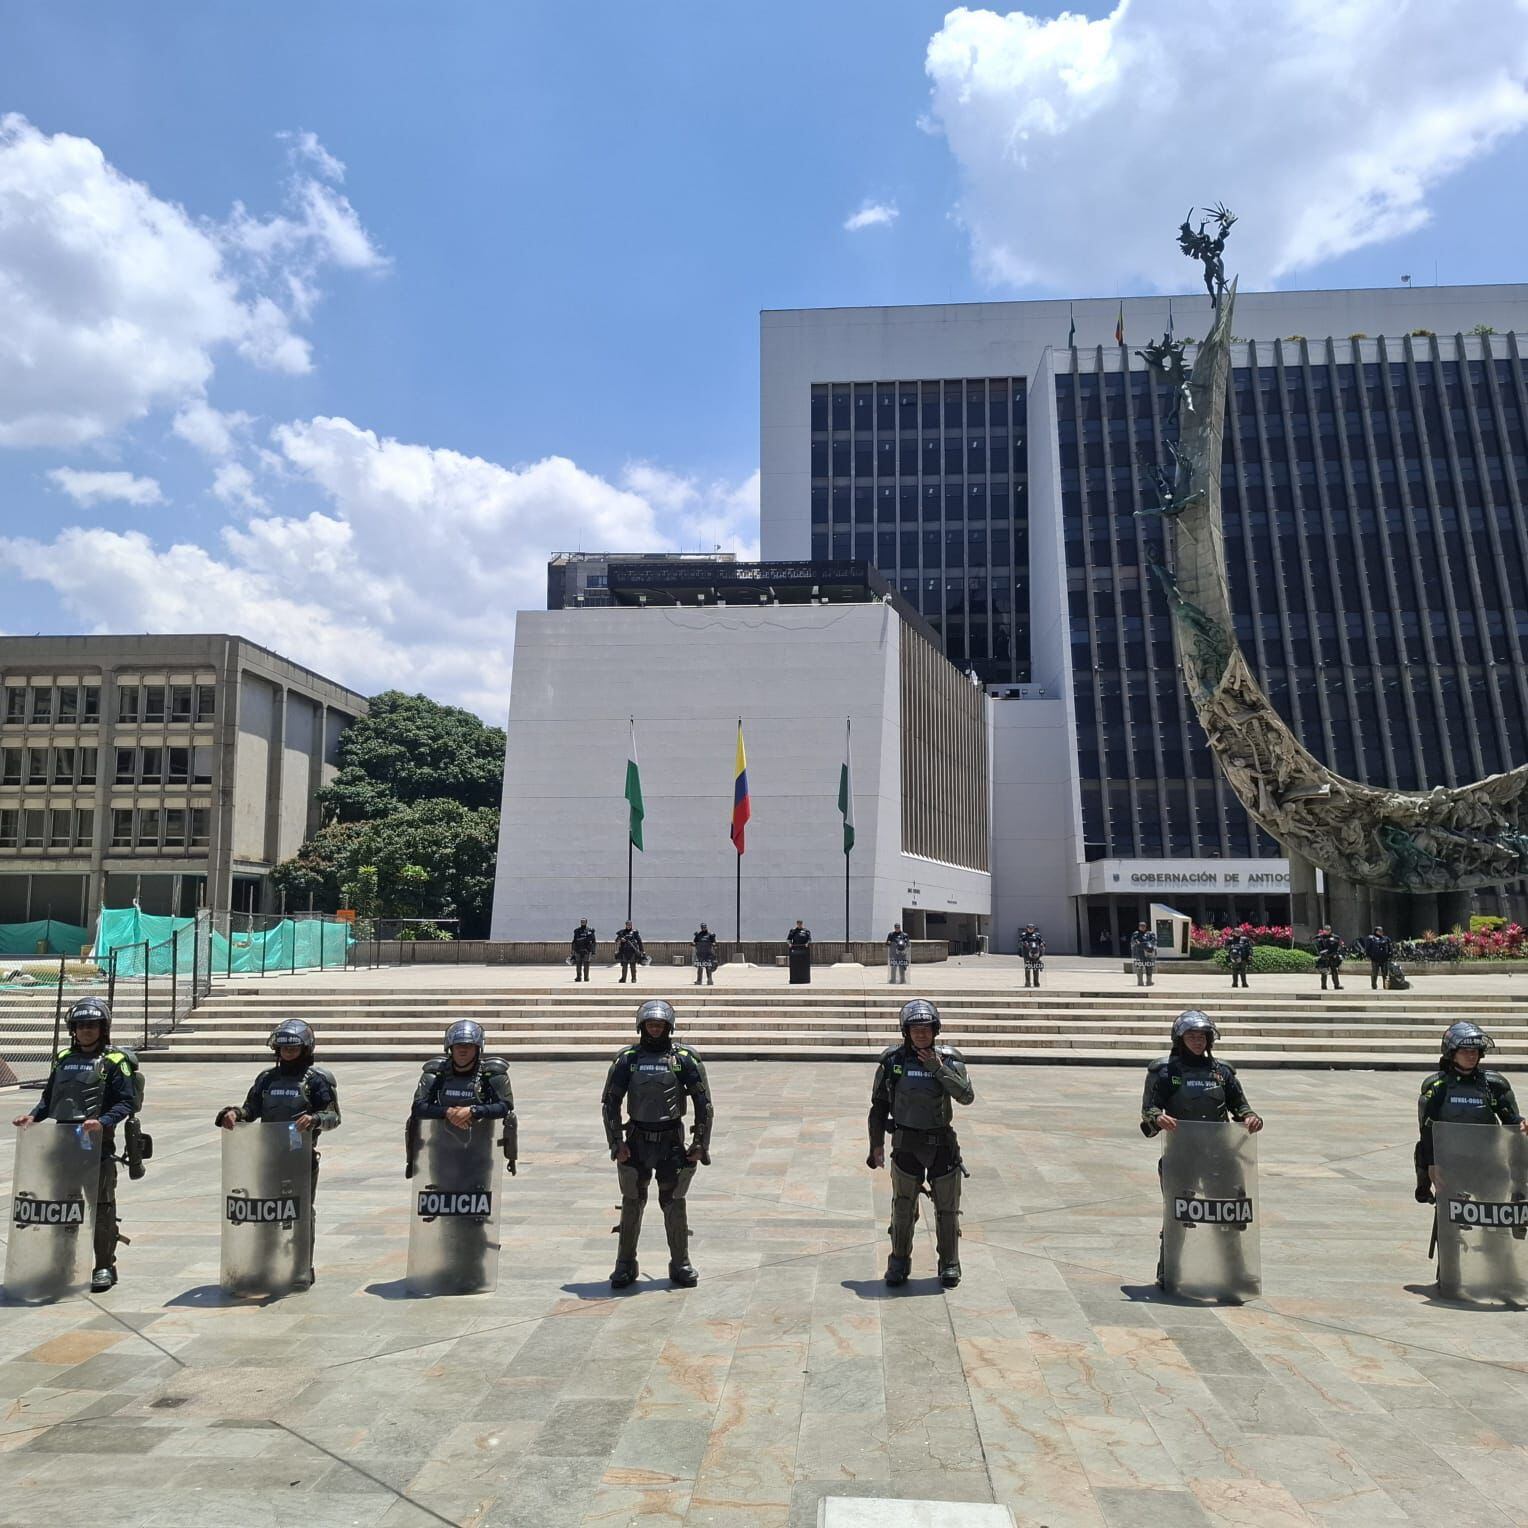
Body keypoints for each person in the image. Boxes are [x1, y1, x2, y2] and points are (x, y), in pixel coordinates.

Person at [13, 997, 143, 1292]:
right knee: (62, 1207)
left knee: (102, 1207)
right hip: (63, 1145)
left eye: (92, 1025)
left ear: (103, 1028)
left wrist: (103, 1121)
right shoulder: (63, 1058)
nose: (86, 1030)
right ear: (73, 1029)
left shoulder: (115, 1061)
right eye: (81, 1025)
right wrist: (32, 1117)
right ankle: (63, 1262)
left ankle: (104, 1266)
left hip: (97, 1146)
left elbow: (126, 1102)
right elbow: (49, 1098)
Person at [1140, 1010, 1263, 1291]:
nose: (1197, 1041)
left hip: (1221, 1153)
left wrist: (1250, 1117)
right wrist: (1157, 1117)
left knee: (1229, 1214)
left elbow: (1240, 1105)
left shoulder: (1222, 1072)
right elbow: (1149, 1108)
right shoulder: (1165, 1071)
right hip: (1181, 1154)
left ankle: (1235, 1273)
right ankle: (1169, 1271)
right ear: (1180, 1039)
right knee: (1178, 1214)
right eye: (1191, 1036)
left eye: (1202, 1036)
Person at [215, 1019, 340, 1280]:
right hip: (268, 1157)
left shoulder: (317, 1080)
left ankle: (301, 1266)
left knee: (300, 1212)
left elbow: (333, 1116)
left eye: (293, 1049)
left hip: (300, 1158)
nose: (288, 1053)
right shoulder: (266, 1079)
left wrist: (315, 1119)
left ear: (305, 1049)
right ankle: (266, 1264)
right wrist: (235, 1113)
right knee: (267, 1210)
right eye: (284, 1049)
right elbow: (251, 1108)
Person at [601, 999, 713, 1289]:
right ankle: (625, 1264)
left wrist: (700, 1142)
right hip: (637, 1141)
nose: (654, 1029)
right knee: (632, 1202)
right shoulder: (628, 1059)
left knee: (674, 1202)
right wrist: (616, 1142)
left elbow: (703, 1103)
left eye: (659, 1025)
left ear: (668, 1027)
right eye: (650, 1024)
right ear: (641, 1026)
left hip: (671, 1142)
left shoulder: (683, 1059)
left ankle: (680, 1263)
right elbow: (610, 1102)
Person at [866, 999, 975, 1288]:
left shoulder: (949, 1059)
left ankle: (949, 1263)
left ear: (936, 1030)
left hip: (942, 1146)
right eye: (915, 1030)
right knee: (902, 1207)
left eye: (926, 1029)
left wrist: (938, 1069)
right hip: (906, 1144)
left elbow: (966, 1096)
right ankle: (899, 1262)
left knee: (947, 1209)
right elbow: (878, 1106)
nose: (921, 1034)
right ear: (906, 1032)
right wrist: (876, 1144)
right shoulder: (893, 1061)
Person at [1415, 1021, 1527, 1293]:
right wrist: (1431, 1166)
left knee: (1497, 1221)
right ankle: (1450, 1278)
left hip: (1489, 1165)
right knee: (1450, 1224)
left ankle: (1504, 1277)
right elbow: (1427, 1130)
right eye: (1465, 1051)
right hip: (1450, 1167)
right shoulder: (1437, 1087)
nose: (1471, 1055)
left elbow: (1511, 1120)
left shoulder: (1494, 1085)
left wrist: (1522, 1123)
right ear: (1451, 1053)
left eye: (1475, 1051)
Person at [408, 1021, 518, 1291]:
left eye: (468, 1046)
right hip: (441, 1152)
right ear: (450, 1048)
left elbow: (505, 1106)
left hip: (478, 1154)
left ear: (478, 1048)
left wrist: (474, 1111)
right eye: (458, 1046)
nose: (463, 1051)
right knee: (446, 1211)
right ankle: (451, 1265)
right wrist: (447, 1113)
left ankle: (473, 1268)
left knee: (473, 1214)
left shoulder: (491, 1075)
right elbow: (419, 1106)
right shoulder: (436, 1074)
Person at [1315, 926, 1345, 991]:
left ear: (1330, 930)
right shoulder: (1320, 937)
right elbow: (1318, 947)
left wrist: (1337, 953)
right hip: (1324, 956)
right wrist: (1321, 953)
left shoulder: (1335, 937)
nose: (1327, 931)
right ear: (1323, 930)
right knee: (1324, 972)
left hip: (1333, 956)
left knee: (1334, 971)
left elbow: (1339, 945)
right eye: (1325, 930)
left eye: (1328, 930)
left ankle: (1337, 985)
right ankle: (1324, 986)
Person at [1364, 926, 1394, 991]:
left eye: (1381, 931)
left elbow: (1390, 947)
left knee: (1385, 973)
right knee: (1375, 973)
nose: (1381, 932)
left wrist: (1390, 955)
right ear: (1376, 931)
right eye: (1379, 931)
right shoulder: (1371, 938)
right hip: (1375, 959)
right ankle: (1374, 985)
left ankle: (1385, 985)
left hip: (1384, 958)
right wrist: (1369, 956)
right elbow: (1367, 948)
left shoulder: (1386, 939)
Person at [1130, 921, 1158, 987]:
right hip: (1139, 953)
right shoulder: (1136, 934)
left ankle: (1149, 981)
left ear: (1146, 926)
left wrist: (1148, 944)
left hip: (1148, 953)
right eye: (1141, 926)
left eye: (1144, 926)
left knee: (1149, 967)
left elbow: (1154, 941)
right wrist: (1137, 942)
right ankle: (1140, 981)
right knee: (1139, 967)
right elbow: (1133, 941)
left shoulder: (1150, 933)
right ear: (1139, 927)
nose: (1142, 927)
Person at [1018, 924, 1045, 988]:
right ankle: (1027, 983)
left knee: (1036, 968)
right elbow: (1020, 942)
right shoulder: (1024, 935)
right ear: (1027, 928)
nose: (1030, 929)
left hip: (1036, 954)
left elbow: (1042, 941)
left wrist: (1042, 944)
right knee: (1027, 968)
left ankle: (1036, 983)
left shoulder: (1037, 935)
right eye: (1029, 928)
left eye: (1032, 928)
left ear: (1034, 929)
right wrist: (1024, 943)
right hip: (1027, 954)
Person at [787, 919, 812, 985]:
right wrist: (790, 944)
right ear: (796, 924)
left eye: (800, 924)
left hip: (804, 952)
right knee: (795, 967)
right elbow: (788, 939)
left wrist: (807, 943)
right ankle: (794, 980)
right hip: (795, 952)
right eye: (798, 924)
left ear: (802, 924)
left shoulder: (806, 931)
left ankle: (805, 979)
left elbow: (809, 939)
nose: (799, 925)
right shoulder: (793, 931)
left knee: (803, 966)